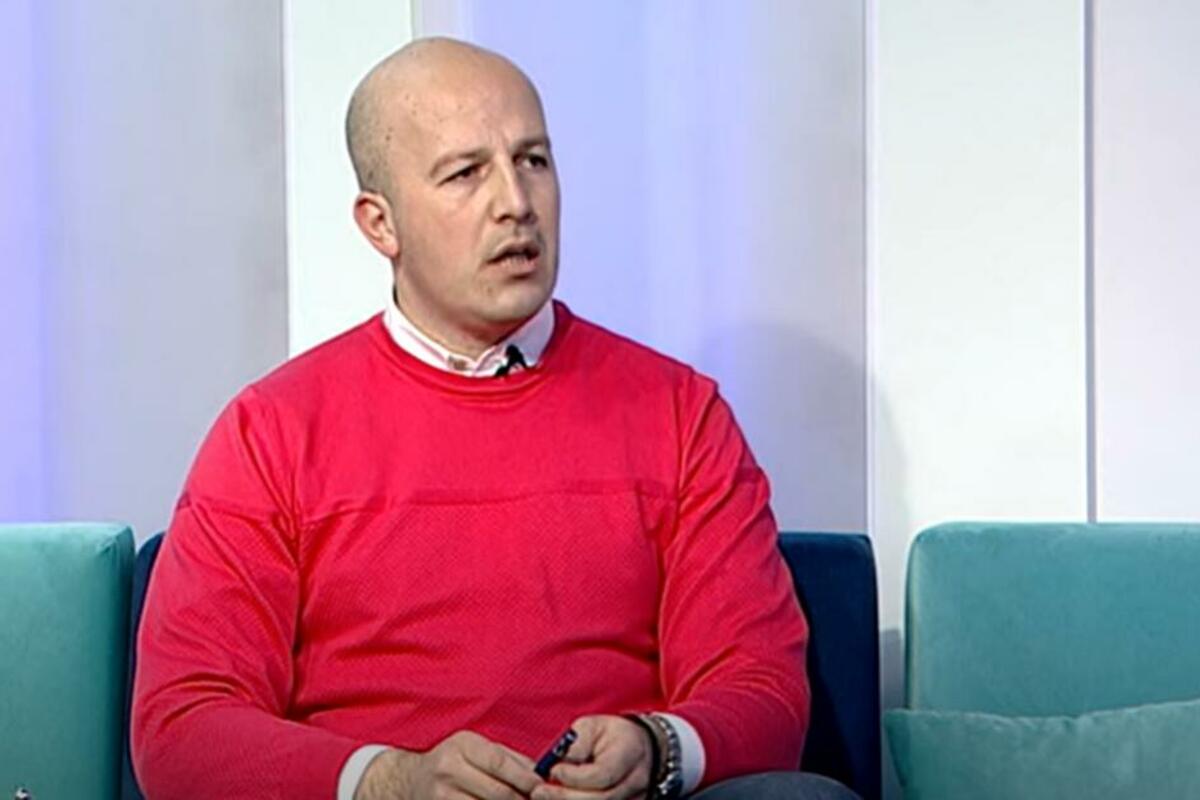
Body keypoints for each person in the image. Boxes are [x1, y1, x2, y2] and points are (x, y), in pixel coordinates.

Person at [131, 37, 858, 800]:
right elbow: (183, 726)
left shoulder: (680, 413)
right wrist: (391, 782)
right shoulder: (271, 432)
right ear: (380, 225)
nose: (516, 202)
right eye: (465, 173)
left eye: (533, 160)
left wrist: (655, 748)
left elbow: (761, 690)